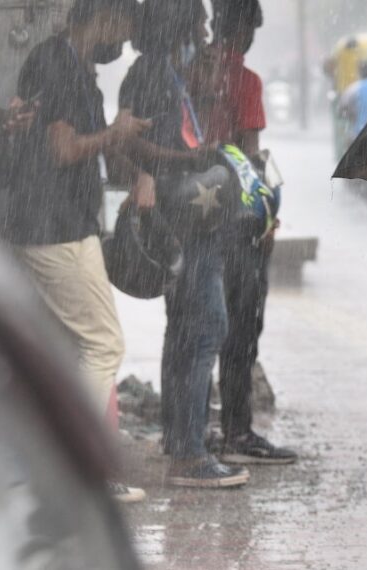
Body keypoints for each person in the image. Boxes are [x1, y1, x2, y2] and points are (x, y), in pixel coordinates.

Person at [2, 0, 152, 503]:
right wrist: (116, 132)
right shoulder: (60, 63)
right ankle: (82, 472)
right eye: (126, 26)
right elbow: (63, 150)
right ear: (105, 16)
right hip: (58, 229)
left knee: (64, 350)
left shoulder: (66, 64)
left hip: (47, 222)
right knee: (103, 345)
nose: (127, 40)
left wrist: (127, 156)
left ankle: (38, 466)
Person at [120, 0, 249, 488]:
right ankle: (190, 455)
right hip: (188, 223)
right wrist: (192, 159)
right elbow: (133, 143)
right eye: (197, 20)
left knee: (185, 331)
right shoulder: (153, 72)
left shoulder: (166, 71)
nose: (204, 28)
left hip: (191, 221)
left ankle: (180, 438)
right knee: (204, 328)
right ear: (178, 26)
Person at [207, 0, 297, 465]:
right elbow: (249, 161)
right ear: (246, 30)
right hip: (236, 225)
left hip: (192, 217)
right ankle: (237, 432)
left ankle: (187, 428)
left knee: (196, 325)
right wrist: (265, 218)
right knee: (242, 327)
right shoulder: (245, 81)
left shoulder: (191, 71)